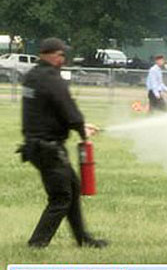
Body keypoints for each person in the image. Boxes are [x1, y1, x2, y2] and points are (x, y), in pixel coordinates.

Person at [17, 37, 107, 248]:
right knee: (61, 197)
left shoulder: (33, 76)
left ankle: (83, 239)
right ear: (49, 54)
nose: (62, 59)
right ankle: (37, 244)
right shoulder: (51, 79)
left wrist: (79, 126)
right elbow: (68, 109)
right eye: (60, 55)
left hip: (37, 145)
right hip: (47, 147)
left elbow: (49, 111)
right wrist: (81, 129)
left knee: (73, 189)